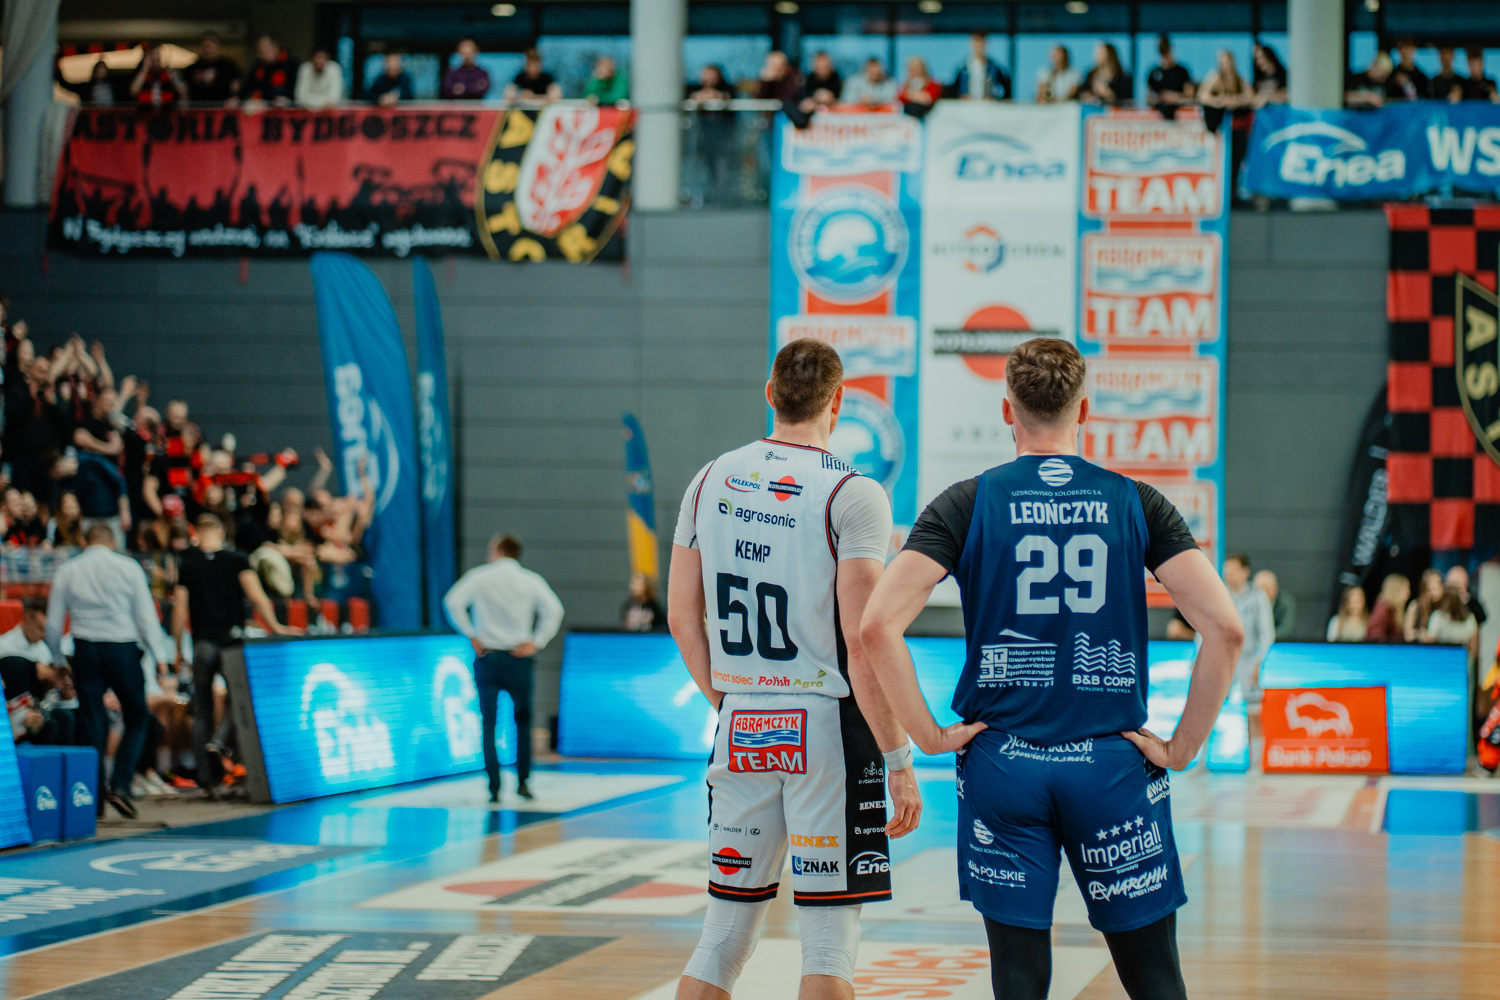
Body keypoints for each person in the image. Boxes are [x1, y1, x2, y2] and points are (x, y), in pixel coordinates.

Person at [860, 337, 1242, 1000]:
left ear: (1007, 410)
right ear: (1084, 409)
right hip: (1110, 767)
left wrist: (926, 735)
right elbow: (1227, 630)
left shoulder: (966, 502)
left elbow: (875, 627)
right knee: (1155, 979)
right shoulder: (1136, 502)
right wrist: (1182, 747)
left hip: (1004, 764)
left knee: (1019, 979)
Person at [668, 338, 930, 1000]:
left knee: (722, 938)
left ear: (770, 394)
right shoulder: (853, 491)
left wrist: (730, 703)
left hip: (741, 719)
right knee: (829, 946)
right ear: (837, 402)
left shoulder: (709, 479)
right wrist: (898, 759)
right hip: (825, 725)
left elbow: (681, 618)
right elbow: (863, 640)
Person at [45, 523, 164, 820]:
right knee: (138, 716)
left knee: (92, 722)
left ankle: (92, 801)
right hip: (122, 647)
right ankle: (121, 784)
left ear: (85, 541)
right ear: (113, 542)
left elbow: (53, 624)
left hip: (85, 648)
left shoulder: (69, 570)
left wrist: (58, 660)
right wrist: (160, 657)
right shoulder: (128, 567)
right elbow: (146, 617)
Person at [172, 514, 294, 793]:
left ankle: (207, 779)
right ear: (221, 532)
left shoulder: (188, 564)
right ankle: (225, 748)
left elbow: (179, 609)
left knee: (202, 709)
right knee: (238, 701)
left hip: (202, 642)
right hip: (232, 641)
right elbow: (256, 595)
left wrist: (178, 648)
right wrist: (275, 626)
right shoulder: (237, 559)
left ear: (196, 534)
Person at [443, 534, 564, 802]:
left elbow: (452, 602)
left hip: (488, 655)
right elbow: (554, 610)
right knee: (523, 721)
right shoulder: (530, 580)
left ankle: (494, 786)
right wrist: (537, 641)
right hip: (518, 656)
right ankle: (523, 782)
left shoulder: (480, 577)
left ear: (498, 551)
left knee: (489, 722)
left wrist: (470, 633)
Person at [1221, 553, 1274, 701]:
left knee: (1253, 703)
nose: (1229, 574)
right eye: (1227, 570)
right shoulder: (1219, 595)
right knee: (1215, 702)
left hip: (1249, 657)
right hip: (1224, 658)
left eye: (1233, 570)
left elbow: (1267, 633)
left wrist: (1258, 661)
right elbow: (1204, 630)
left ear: (1245, 572)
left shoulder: (1257, 596)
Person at [1425, 585, 1479, 663]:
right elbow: (1473, 647)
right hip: (1463, 661)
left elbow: (1432, 638)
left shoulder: (1438, 616)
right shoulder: (1469, 618)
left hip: (1443, 660)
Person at [183, 33, 240, 104]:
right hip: (196, 107)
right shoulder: (191, 69)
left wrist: (234, 98)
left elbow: (236, 87)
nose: (208, 50)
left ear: (217, 47)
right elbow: (185, 91)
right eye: (205, 47)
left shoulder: (228, 67)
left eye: (210, 47)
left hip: (221, 108)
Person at [952, 32, 1011, 100]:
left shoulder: (994, 68)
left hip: (987, 105)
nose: (979, 45)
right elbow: (954, 90)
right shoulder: (963, 69)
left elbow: (1006, 89)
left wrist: (995, 99)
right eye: (976, 41)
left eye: (981, 42)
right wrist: (962, 97)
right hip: (967, 106)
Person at [242, 35, 297, 107]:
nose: (260, 55)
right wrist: (237, 97)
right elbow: (248, 85)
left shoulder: (291, 63)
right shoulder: (259, 65)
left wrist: (286, 98)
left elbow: (295, 89)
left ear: (275, 47)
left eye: (264, 50)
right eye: (259, 51)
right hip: (263, 106)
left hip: (285, 107)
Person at [1147, 37, 1194, 119]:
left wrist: (1175, 97)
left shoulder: (1181, 71)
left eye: (1166, 49)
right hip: (1159, 115)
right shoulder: (1154, 72)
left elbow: (1190, 94)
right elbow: (1149, 98)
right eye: (1162, 50)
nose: (1165, 53)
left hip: (1180, 114)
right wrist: (1159, 98)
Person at [130, 44, 187, 110]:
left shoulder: (169, 74)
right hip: (146, 113)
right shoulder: (143, 74)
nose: (156, 59)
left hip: (167, 112)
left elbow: (183, 91)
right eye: (153, 56)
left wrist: (169, 70)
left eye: (158, 56)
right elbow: (133, 91)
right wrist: (145, 69)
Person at [1254, 569, 1296, 641]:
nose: (1261, 593)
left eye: (1265, 588)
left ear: (1274, 588)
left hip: (1280, 644)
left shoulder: (1285, 602)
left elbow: (1285, 630)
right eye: (1258, 590)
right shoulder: (1251, 603)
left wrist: (1264, 637)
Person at [1405, 568, 1446, 641]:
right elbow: (1407, 634)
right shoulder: (1416, 606)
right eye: (1429, 590)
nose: (1433, 593)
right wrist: (1419, 634)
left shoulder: (1447, 606)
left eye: (1436, 589)